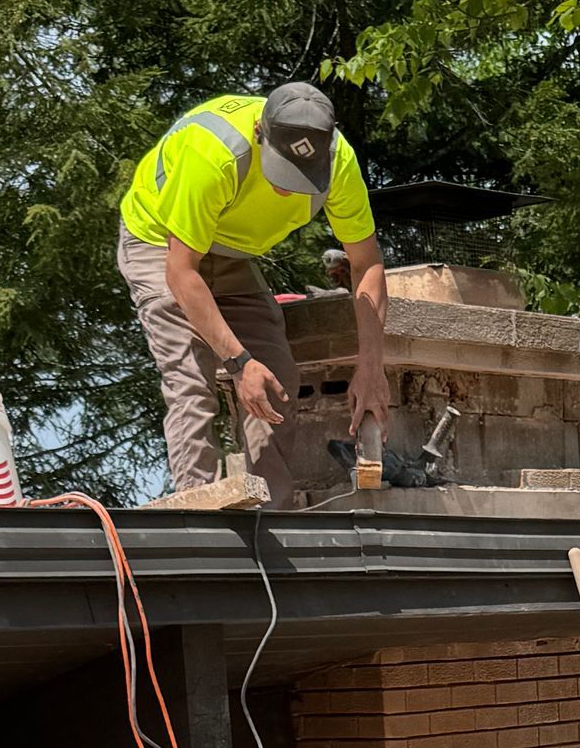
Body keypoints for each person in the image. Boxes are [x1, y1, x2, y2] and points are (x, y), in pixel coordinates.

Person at [117, 82, 389, 501]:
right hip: (160, 244)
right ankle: (198, 519)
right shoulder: (211, 152)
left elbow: (367, 263)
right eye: (281, 171)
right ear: (260, 132)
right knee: (192, 382)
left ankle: (271, 516)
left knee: (277, 377)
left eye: (301, 177)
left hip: (231, 252)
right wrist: (240, 362)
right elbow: (181, 273)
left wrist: (372, 368)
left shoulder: (339, 161)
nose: (286, 188)